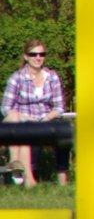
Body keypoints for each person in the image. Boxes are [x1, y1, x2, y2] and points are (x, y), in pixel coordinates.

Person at [1, 39, 68, 186]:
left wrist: (45, 118)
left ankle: (19, 168)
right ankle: (25, 174)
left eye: (41, 54)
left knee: (60, 131)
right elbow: (5, 108)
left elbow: (59, 107)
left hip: (44, 120)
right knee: (17, 120)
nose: (38, 58)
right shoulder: (17, 78)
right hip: (20, 121)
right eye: (34, 54)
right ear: (26, 56)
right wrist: (24, 117)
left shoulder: (52, 77)